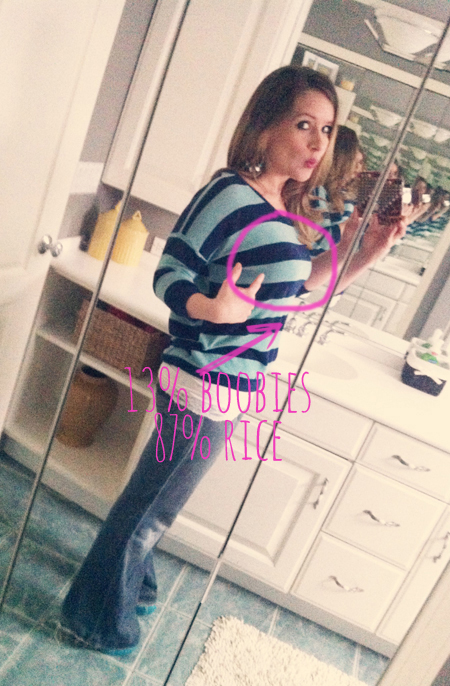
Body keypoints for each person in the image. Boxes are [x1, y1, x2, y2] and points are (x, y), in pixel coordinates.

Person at [60, 66, 405, 655]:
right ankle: (92, 618)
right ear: (265, 125)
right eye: (304, 124)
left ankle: (133, 584)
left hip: (228, 385)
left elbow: (298, 291)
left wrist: (361, 254)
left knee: (158, 502)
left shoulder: (280, 205)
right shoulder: (230, 193)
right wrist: (211, 309)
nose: (318, 143)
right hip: (201, 381)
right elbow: (172, 271)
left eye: (326, 129)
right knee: (150, 508)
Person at [309, 124, 363, 257]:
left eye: (361, 163)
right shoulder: (315, 190)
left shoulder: (341, 192)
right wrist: (354, 223)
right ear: (341, 160)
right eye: (354, 161)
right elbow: (320, 240)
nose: (358, 168)